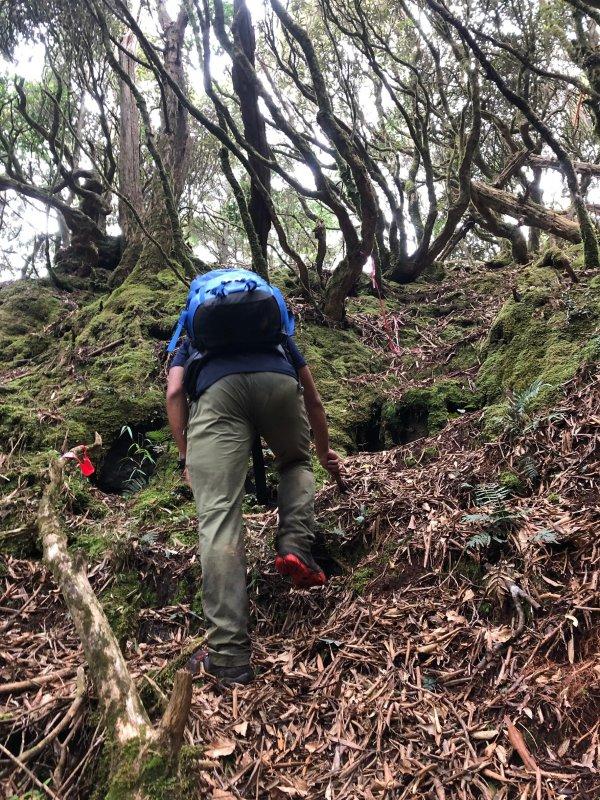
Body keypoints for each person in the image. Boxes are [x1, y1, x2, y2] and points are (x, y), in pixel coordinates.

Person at [166, 304, 341, 686]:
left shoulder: (192, 336)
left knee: (219, 514)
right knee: (295, 463)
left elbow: (175, 390)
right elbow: (312, 398)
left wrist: (185, 456)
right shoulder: (273, 329)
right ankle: (295, 544)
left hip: (217, 394)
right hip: (278, 383)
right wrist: (323, 450)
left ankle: (229, 657)